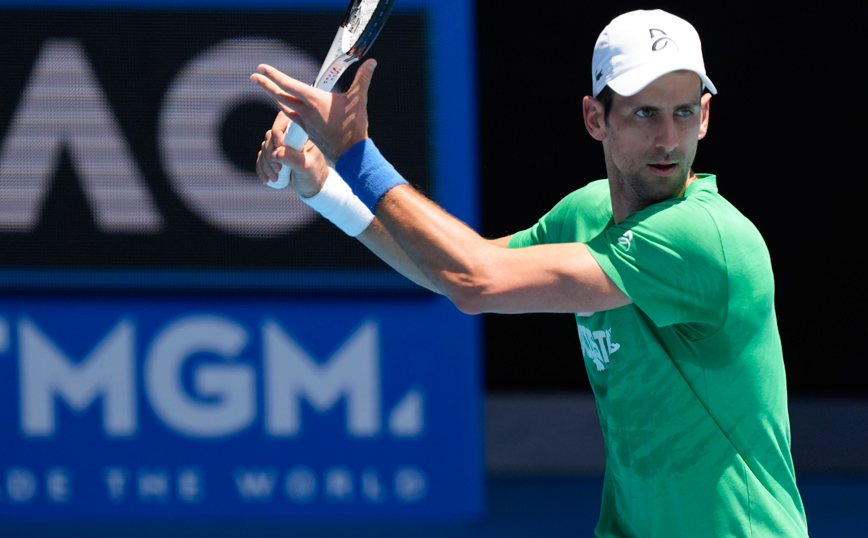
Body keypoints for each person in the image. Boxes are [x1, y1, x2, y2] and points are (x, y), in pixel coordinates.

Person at [251, 9, 809, 537]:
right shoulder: (587, 214)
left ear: (704, 117)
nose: (668, 138)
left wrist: (355, 153)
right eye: (645, 113)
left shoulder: (701, 236)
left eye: (683, 112)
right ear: (596, 119)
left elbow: (475, 280)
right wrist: (325, 187)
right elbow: (449, 268)